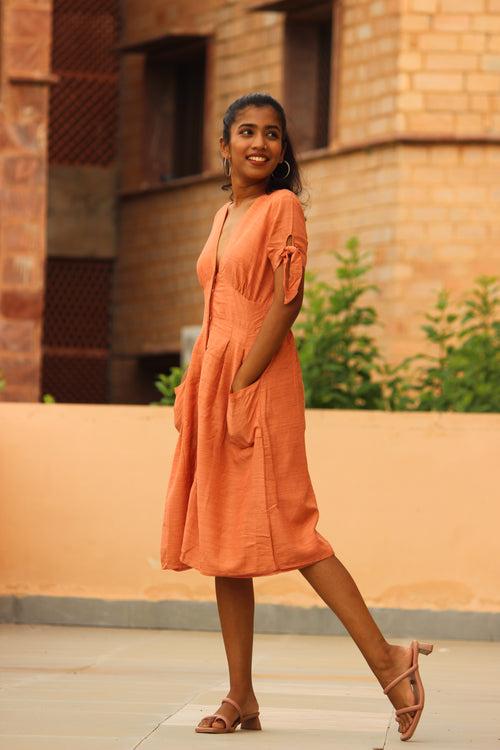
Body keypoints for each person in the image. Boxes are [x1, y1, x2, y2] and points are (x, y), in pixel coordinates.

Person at [160, 92, 433, 741]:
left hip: (258, 380)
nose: (260, 143)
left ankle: (392, 662)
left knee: (296, 530)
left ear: (284, 151)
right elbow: (213, 307)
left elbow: (286, 304)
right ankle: (241, 697)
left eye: (274, 135)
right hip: (217, 381)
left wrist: (243, 384)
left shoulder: (282, 208)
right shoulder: (225, 213)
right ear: (223, 145)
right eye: (247, 132)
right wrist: (195, 385)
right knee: (225, 545)